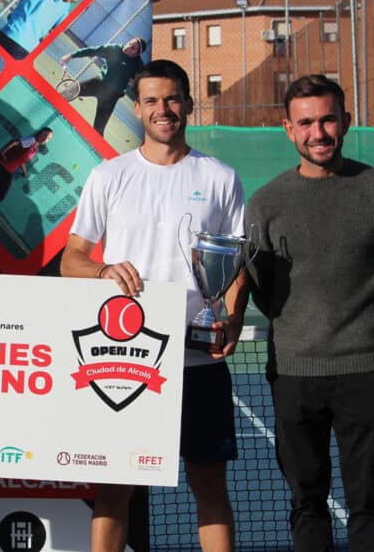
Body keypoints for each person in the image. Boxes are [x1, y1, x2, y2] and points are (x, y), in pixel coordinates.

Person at [60, 59, 247, 552]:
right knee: (116, 487)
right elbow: (71, 259)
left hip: (198, 360)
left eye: (171, 99)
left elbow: (238, 264)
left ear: (187, 103)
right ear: (137, 108)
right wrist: (102, 271)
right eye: (151, 101)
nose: (163, 110)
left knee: (209, 487)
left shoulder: (222, 177)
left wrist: (232, 315)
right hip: (125, 362)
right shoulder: (110, 176)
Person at [245, 74, 374, 552]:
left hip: (364, 371)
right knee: (307, 503)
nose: (318, 132)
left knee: (367, 504)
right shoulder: (266, 203)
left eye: (327, 119)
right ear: (288, 128)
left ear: (345, 121)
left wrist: (368, 327)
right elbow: (262, 290)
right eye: (306, 123)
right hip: (294, 374)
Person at [60, 38, 147, 137]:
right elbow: (93, 50)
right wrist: (71, 56)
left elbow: (141, 87)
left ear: (136, 54)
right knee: (67, 93)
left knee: (98, 131)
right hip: (98, 84)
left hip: (111, 97)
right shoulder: (114, 49)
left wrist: (134, 85)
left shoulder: (138, 66)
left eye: (132, 48)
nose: (128, 47)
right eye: (129, 43)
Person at [0, 0, 76, 60]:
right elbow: (56, 30)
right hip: (26, 48)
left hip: (10, 33)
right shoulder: (65, 7)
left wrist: (14, 16)